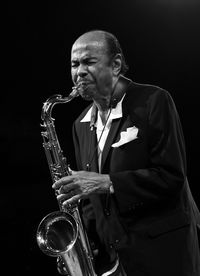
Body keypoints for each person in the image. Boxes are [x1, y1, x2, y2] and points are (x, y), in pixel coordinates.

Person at [53, 29, 200, 276]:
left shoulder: (154, 100)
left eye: (89, 62)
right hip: (117, 261)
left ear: (116, 65)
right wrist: (81, 249)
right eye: (74, 64)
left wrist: (107, 182)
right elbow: (92, 202)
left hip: (164, 253)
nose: (79, 71)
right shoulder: (80, 124)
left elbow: (171, 177)